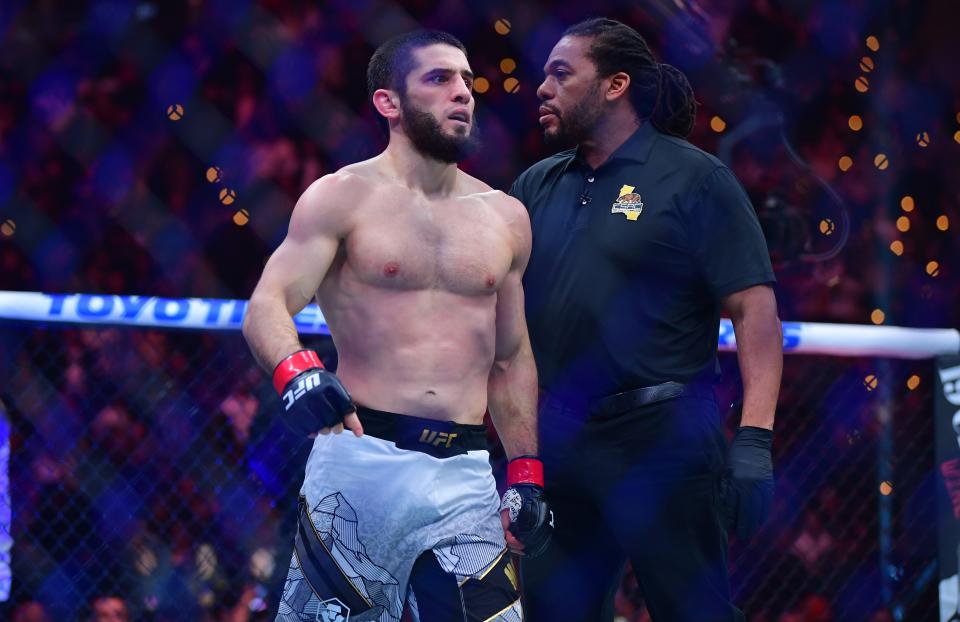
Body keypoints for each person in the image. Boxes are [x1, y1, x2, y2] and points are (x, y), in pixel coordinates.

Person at [242, 30, 551, 622]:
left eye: (465, 79)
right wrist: (297, 371)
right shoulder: (342, 197)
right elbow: (268, 303)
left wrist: (526, 473)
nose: (462, 92)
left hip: (465, 472)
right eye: (439, 79)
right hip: (361, 461)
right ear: (389, 103)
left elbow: (511, 358)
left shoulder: (505, 217)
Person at [509, 18, 782, 622]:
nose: (541, 88)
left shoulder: (694, 179)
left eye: (562, 73)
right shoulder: (536, 184)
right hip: (560, 435)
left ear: (615, 85)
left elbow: (753, 310)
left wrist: (756, 439)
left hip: (664, 436)